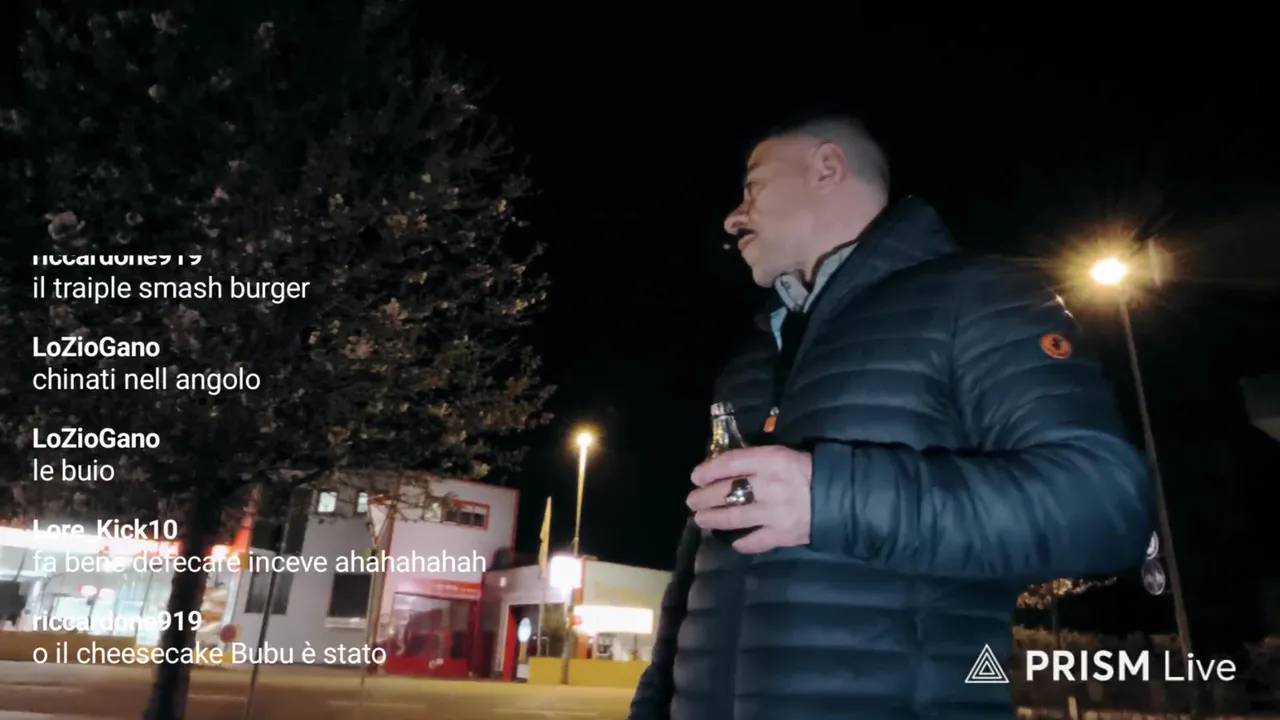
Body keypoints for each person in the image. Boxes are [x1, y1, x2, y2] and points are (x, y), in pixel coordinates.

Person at [627, 113, 1153, 720]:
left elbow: (1104, 506)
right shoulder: (751, 360)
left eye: (753, 188)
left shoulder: (978, 294)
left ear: (827, 168)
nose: (733, 216)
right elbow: (694, 579)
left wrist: (831, 498)